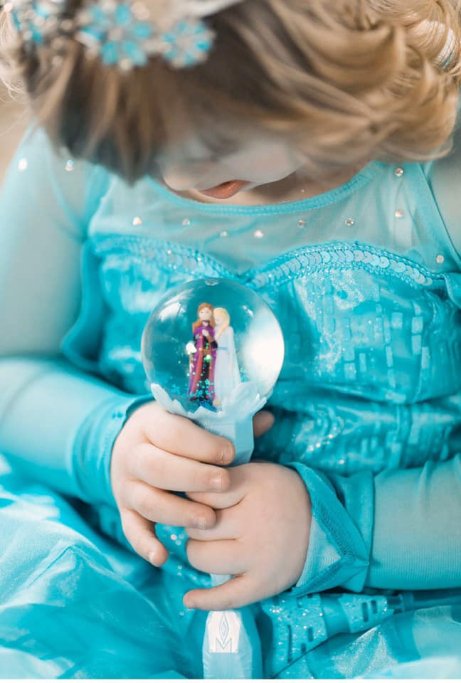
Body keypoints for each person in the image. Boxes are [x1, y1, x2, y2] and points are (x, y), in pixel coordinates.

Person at [0, 0, 461, 677]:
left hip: (401, 599)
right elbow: (11, 362)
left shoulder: (437, 176)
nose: (177, 178)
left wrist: (341, 527)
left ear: (315, 57)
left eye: (210, 143)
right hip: (116, 576)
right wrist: (108, 443)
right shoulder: (79, 147)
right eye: (132, 152)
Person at [188, 303, 218, 405]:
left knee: (207, 375)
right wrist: (192, 352)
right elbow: (194, 342)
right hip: (198, 356)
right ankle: (196, 393)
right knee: (197, 374)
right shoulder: (197, 329)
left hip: (209, 356)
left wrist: (208, 336)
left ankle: (206, 394)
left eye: (207, 312)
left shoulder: (213, 329)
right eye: (202, 312)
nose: (204, 314)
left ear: (211, 313)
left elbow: (215, 345)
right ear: (198, 314)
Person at [212, 307, 241, 407]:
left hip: (224, 355)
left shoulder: (229, 330)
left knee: (226, 376)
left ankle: (227, 398)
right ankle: (218, 398)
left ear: (224, 318)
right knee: (217, 377)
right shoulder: (214, 329)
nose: (216, 320)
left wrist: (231, 362)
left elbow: (231, 347)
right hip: (216, 356)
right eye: (214, 318)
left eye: (218, 318)